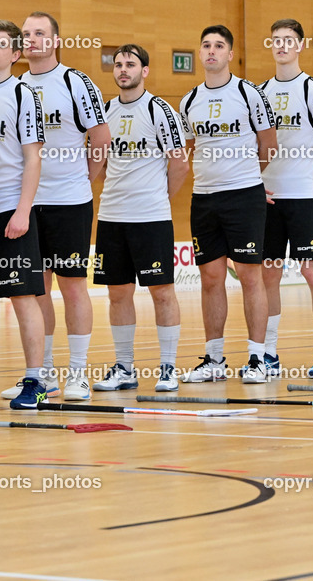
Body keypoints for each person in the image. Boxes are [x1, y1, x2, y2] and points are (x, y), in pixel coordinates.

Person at [17, 12, 110, 401]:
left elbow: (101, 139)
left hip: (69, 203)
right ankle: (43, 373)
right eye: (26, 34)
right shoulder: (16, 85)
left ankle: (78, 372)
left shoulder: (76, 82)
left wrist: (83, 179)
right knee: (37, 290)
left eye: (40, 33)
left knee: (72, 287)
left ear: (55, 41)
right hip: (26, 204)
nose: (31, 39)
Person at [178, 25, 277, 383]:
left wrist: (247, 179)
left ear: (230, 54)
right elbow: (189, 149)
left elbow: (269, 145)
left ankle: (258, 359)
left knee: (251, 276)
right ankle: (214, 359)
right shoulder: (188, 100)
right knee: (210, 279)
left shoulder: (249, 94)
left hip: (244, 197)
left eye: (219, 46)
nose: (211, 51)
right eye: (206, 45)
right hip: (204, 199)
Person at [92, 44, 188, 393]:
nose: (123, 69)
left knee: (162, 293)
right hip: (111, 217)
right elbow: (100, 161)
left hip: (151, 219)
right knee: (117, 294)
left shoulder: (159, 110)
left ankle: (168, 368)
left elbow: (180, 164)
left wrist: (157, 197)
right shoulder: (104, 111)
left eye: (130, 64)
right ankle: (124, 368)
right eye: (118, 64)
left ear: (144, 71)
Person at [259, 19, 313, 378]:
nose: (281, 46)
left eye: (288, 40)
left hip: (303, 197)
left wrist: (311, 181)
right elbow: (254, 145)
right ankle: (269, 354)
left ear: (300, 46)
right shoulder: (260, 92)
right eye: (276, 40)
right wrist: (255, 184)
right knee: (269, 275)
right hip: (269, 199)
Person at [0, 19, 48, 409]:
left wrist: (23, 210)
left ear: (16, 54)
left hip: (9, 211)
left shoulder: (23, 94)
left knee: (23, 297)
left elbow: (33, 158)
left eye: (1, 44)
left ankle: (35, 380)